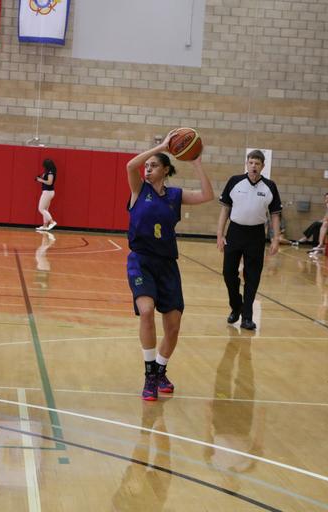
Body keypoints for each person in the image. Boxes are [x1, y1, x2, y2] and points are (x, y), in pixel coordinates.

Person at [125, 133, 214, 401]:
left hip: (166, 265)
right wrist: (162, 146)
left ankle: (161, 370)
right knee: (146, 312)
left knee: (173, 326)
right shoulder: (139, 189)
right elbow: (130, 165)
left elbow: (208, 195)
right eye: (147, 166)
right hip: (141, 261)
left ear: (166, 170)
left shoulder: (175, 196)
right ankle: (150, 375)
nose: (147, 169)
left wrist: (196, 162)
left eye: (154, 165)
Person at [217, 149, 282, 330]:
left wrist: (276, 239)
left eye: (257, 164)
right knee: (228, 273)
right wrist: (220, 234)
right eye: (251, 162)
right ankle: (236, 305)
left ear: (263, 166)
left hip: (256, 235)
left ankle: (247, 317)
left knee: (252, 276)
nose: (254, 166)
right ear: (247, 163)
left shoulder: (270, 186)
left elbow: (275, 215)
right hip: (235, 232)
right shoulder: (235, 181)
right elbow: (225, 209)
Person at [35, 159, 57, 231]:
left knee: (41, 209)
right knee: (45, 209)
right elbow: (46, 181)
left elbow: (50, 182)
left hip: (48, 192)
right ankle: (45, 226)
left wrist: (41, 180)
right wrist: (40, 179)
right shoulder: (48, 172)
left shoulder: (50, 172)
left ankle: (52, 222)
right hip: (48, 192)